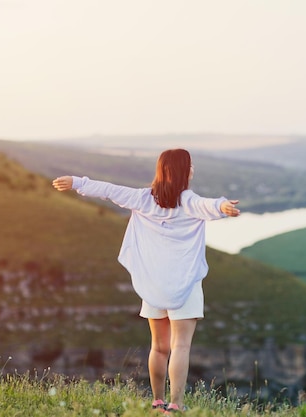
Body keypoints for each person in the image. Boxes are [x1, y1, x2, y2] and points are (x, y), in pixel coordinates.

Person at [52, 148, 239, 413]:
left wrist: (77, 183)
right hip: (185, 285)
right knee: (180, 347)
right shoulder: (188, 200)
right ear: (184, 171)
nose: (193, 168)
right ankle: (176, 405)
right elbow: (207, 206)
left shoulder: (142, 198)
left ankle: (157, 401)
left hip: (153, 284)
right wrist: (223, 206)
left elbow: (109, 189)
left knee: (159, 347)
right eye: (191, 164)